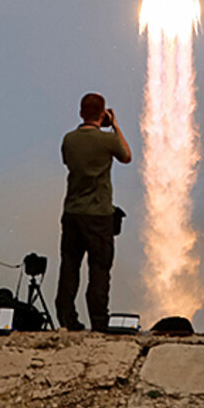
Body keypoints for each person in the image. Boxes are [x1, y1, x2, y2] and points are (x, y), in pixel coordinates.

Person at [55, 93, 132, 332]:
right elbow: (127, 156)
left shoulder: (69, 139)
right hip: (99, 216)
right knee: (99, 270)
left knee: (69, 268)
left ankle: (67, 318)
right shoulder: (107, 140)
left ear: (80, 113)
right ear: (102, 114)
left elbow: (68, 163)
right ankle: (99, 321)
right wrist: (115, 126)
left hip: (72, 212)